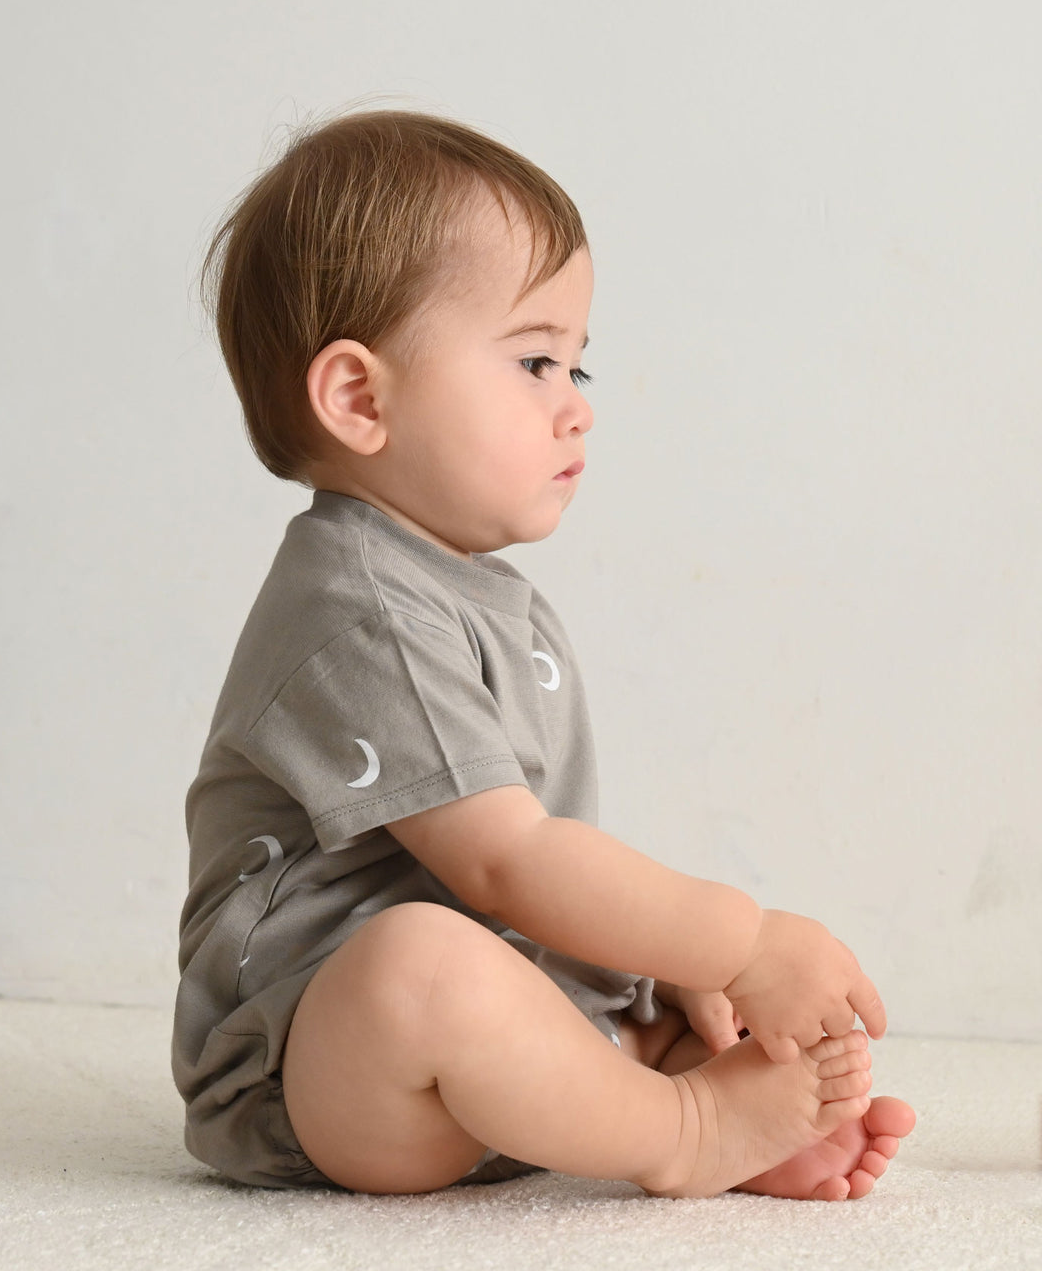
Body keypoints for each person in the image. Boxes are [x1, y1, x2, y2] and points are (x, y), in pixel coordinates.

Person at [172, 108, 915, 1200]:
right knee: (421, 967)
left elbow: (536, 886)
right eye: (535, 362)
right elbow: (509, 861)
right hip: (319, 1071)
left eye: (581, 370)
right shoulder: (359, 604)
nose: (577, 412)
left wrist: (665, 981)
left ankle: (668, 1069)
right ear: (359, 397)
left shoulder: (488, 598)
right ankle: (680, 1124)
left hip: (479, 1036)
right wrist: (738, 940)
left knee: (640, 984)